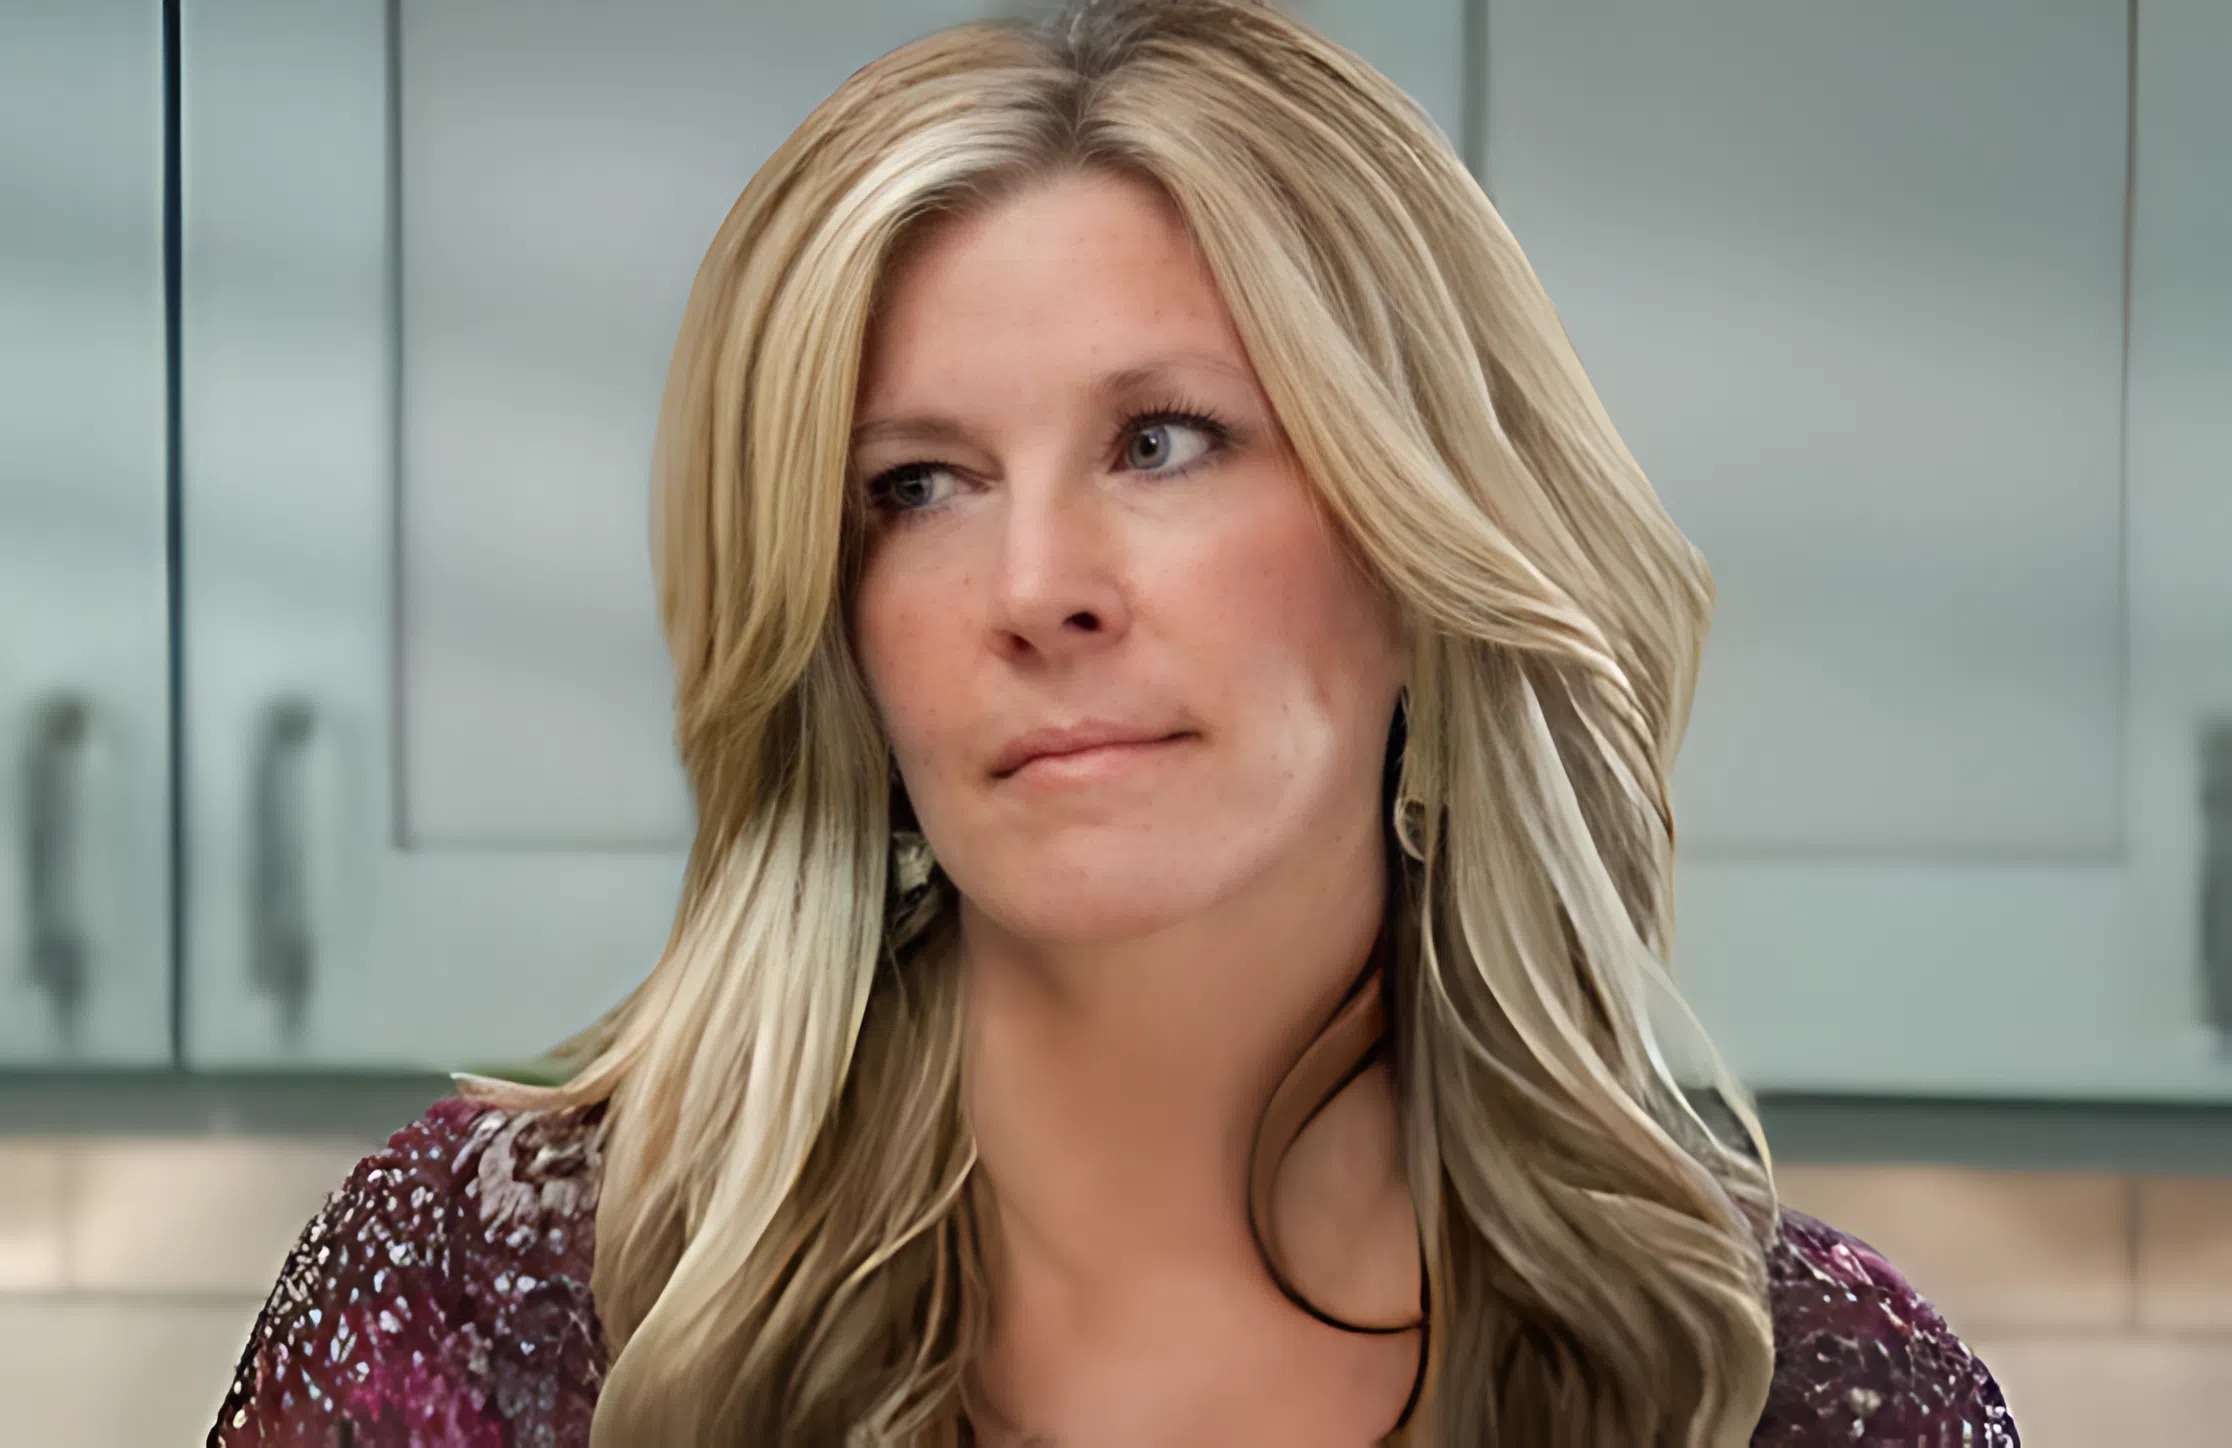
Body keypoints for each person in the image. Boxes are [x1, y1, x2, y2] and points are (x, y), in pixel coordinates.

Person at [210, 1, 2020, 1443]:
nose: (1035, 587)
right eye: (917, 485)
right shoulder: (500, 1297)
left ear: (1420, 542)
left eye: (1162, 442)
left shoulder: (1793, 1393)